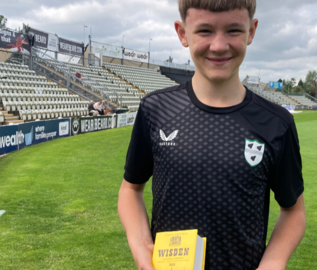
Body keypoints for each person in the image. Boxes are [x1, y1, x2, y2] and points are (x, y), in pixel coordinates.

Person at [118, 1, 306, 269]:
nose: (219, 45)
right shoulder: (155, 109)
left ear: (251, 31)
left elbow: (294, 210)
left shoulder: (276, 123)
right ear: (182, 33)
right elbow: (130, 189)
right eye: (204, 31)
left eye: (233, 31)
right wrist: (140, 243)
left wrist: (273, 262)